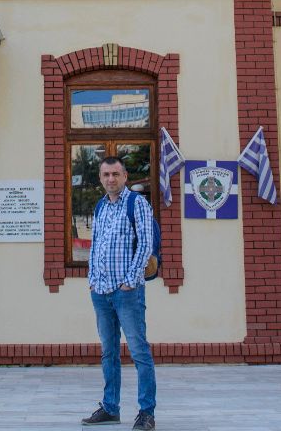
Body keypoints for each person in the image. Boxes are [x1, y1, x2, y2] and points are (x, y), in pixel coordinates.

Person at [81, 157, 156, 430]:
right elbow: (96, 245)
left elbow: (145, 244)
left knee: (139, 352)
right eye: (106, 174)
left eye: (115, 174)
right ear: (100, 178)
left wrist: (130, 282)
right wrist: (92, 280)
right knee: (108, 353)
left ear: (125, 176)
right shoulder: (101, 206)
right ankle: (110, 408)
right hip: (101, 292)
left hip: (127, 293)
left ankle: (146, 413)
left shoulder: (137, 204)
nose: (110, 179)